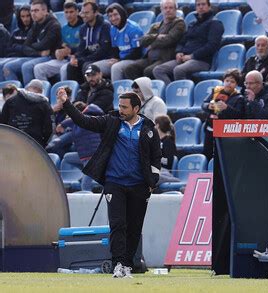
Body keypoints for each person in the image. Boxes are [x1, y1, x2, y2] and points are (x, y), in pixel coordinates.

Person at [56, 88, 161, 278]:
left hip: (139, 186)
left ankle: (128, 265)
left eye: (124, 107)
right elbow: (84, 121)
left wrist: (153, 181)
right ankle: (118, 264)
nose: (120, 110)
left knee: (134, 228)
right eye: (119, 105)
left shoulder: (148, 129)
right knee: (118, 224)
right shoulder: (111, 122)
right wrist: (66, 103)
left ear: (136, 108)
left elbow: (156, 157)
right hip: (115, 183)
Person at [152, 0, 224, 85]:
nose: (201, 7)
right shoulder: (193, 24)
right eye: (198, 5)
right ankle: (171, 91)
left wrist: (192, 56)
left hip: (201, 60)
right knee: (158, 70)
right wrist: (179, 52)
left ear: (209, 6)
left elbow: (212, 46)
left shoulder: (215, 23)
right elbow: (182, 41)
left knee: (179, 70)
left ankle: (181, 94)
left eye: (203, 4)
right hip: (184, 58)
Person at [123, 0, 186, 80]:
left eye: (171, 8)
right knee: (130, 68)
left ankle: (150, 91)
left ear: (175, 10)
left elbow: (170, 39)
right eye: (165, 8)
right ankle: (139, 90)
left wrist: (152, 44)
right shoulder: (156, 26)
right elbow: (142, 40)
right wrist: (157, 36)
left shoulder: (179, 23)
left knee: (148, 71)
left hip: (165, 58)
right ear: (161, 10)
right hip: (150, 58)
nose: (168, 10)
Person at [2, 0, 61, 85]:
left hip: (51, 56)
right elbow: (26, 45)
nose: (33, 13)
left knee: (27, 66)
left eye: (36, 11)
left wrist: (32, 47)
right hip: (38, 55)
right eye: (32, 11)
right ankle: (13, 94)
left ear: (45, 11)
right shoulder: (35, 24)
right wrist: (39, 52)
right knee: (8, 67)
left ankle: (29, 96)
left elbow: (44, 45)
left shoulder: (53, 24)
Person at [58, 100, 104, 191]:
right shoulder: (84, 120)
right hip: (86, 156)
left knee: (85, 186)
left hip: (93, 157)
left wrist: (62, 125)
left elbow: (72, 122)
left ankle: (88, 203)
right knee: (67, 157)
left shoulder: (87, 120)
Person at [92, 3, 143, 82]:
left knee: (116, 68)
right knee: (93, 67)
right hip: (121, 59)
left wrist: (119, 59)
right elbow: (115, 48)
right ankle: (100, 92)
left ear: (122, 14)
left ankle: (116, 92)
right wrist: (114, 58)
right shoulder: (113, 29)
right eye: (110, 16)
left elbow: (137, 52)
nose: (113, 18)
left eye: (115, 15)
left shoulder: (133, 28)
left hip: (135, 59)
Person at [34, 1, 83, 82]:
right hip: (64, 60)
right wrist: (58, 52)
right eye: (66, 12)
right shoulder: (63, 28)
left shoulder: (83, 27)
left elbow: (83, 47)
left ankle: (65, 93)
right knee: (39, 68)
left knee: (64, 70)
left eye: (71, 12)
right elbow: (61, 45)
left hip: (77, 59)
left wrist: (71, 51)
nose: (69, 15)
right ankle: (45, 93)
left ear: (77, 12)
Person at [201, 68, 245, 160]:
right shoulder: (216, 91)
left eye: (232, 81)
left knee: (221, 157)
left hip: (224, 133)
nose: (228, 83)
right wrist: (209, 106)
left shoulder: (239, 98)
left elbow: (239, 114)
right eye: (227, 80)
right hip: (210, 129)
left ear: (236, 84)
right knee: (207, 155)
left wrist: (226, 108)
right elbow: (203, 104)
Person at [65, 1, 111, 84]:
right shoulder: (83, 28)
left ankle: (88, 91)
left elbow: (104, 50)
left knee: (87, 66)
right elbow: (82, 48)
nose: (83, 15)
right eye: (82, 12)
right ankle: (75, 93)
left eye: (87, 13)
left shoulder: (105, 26)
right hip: (89, 58)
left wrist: (83, 59)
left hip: (104, 58)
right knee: (71, 66)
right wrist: (75, 57)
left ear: (96, 12)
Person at [0, 82, 53, 147]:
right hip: (36, 146)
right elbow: (50, 129)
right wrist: (43, 144)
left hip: (13, 145)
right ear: (41, 91)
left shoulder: (10, 101)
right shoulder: (45, 104)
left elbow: (3, 126)